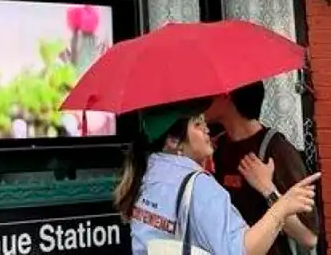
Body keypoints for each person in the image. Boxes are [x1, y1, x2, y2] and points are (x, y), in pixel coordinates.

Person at [115, 98, 320, 255]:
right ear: (173, 141)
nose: (206, 129)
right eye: (197, 124)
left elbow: (309, 237)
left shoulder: (147, 174)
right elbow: (239, 250)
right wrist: (282, 206)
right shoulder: (198, 185)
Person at [207, 82, 319, 254]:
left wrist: (268, 189)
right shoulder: (216, 148)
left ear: (227, 95)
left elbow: (309, 237)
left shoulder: (277, 150)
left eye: (208, 93)